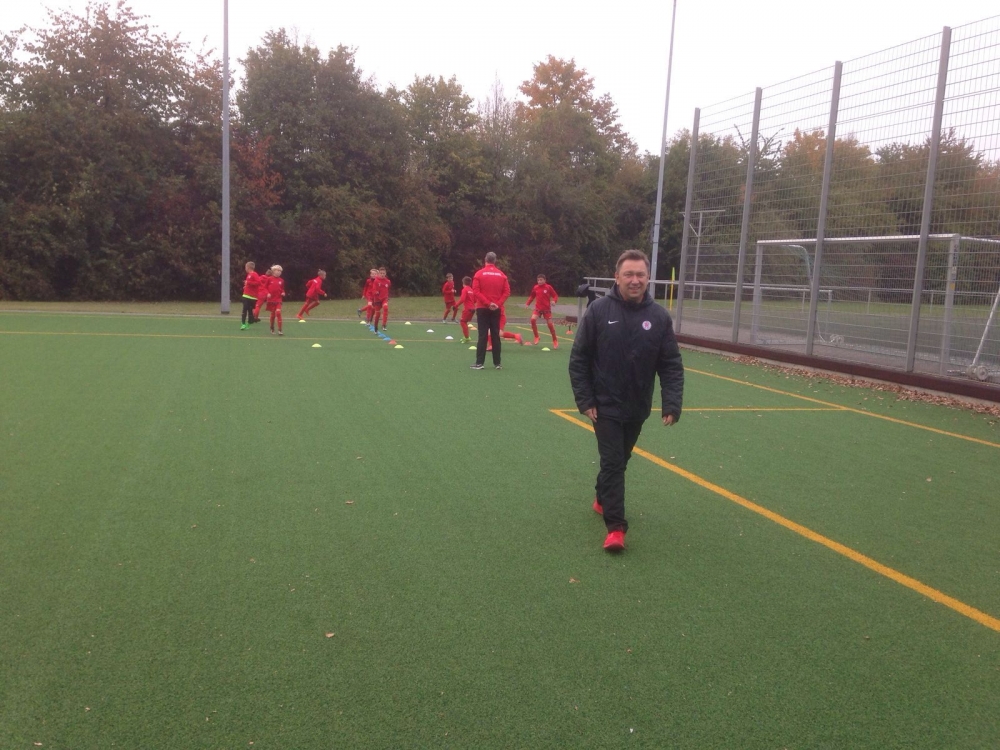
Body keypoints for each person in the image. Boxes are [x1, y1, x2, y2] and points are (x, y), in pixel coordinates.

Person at [568, 249, 684, 552]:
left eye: (640, 275)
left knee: (620, 459)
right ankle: (616, 528)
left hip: (637, 406)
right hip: (604, 406)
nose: (635, 280)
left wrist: (671, 403)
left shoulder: (659, 317)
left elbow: (670, 364)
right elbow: (579, 359)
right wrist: (585, 400)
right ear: (617, 277)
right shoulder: (598, 311)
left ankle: (601, 497)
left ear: (648, 278)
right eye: (629, 274)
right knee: (613, 462)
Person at [471, 252, 510, 370]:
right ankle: (497, 363)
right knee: (495, 335)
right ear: (495, 260)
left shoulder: (479, 274)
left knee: (483, 335)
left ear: (485, 260)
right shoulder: (502, 275)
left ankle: (479, 363)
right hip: (496, 309)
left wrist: (488, 303)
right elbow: (507, 292)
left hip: (482, 308)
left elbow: (476, 291)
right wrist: (497, 304)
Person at [525, 273, 559, 348]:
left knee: (550, 325)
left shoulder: (548, 287)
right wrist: (528, 303)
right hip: (538, 308)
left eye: (541, 280)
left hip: (547, 309)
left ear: (545, 280)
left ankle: (555, 340)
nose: (539, 281)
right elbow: (532, 296)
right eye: (538, 280)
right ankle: (536, 336)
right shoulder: (535, 287)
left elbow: (555, 295)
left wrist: (554, 301)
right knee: (532, 320)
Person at [264, 265, 286, 335]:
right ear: (273, 271)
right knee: (273, 314)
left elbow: (282, 289)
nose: (279, 272)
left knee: (278, 313)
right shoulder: (269, 279)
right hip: (271, 300)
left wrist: (283, 292)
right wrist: (267, 293)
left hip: (278, 299)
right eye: (278, 270)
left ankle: (280, 330)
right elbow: (265, 288)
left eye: (280, 271)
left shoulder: (281, 280)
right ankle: (272, 328)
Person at [240, 262, 261, 329]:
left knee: (250, 311)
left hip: (252, 297)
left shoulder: (254, 274)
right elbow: (249, 284)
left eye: (245, 267)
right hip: (246, 295)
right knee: (244, 309)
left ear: (248, 267)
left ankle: (249, 322)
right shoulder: (249, 275)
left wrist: (248, 283)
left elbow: (258, 283)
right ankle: (243, 324)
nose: (245, 269)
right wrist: (246, 286)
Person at [456, 276, 476, 343]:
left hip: (468, 309)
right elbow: (475, 300)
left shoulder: (465, 289)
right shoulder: (471, 290)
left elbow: (462, 299)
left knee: (463, 322)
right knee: (465, 322)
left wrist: (456, 305)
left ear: (463, 283)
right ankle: (466, 337)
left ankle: (467, 337)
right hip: (473, 309)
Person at [371, 268, 389, 334]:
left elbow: (387, 289)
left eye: (383, 273)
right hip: (377, 299)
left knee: (385, 308)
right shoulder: (376, 281)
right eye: (381, 273)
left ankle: (384, 324)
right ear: (379, 274)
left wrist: (386, 296)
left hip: (384, 299)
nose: (382, 274)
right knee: (377, 314)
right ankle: (375, 327)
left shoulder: (388, 281)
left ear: (385, 274)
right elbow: (373, 290)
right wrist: (376, 292)